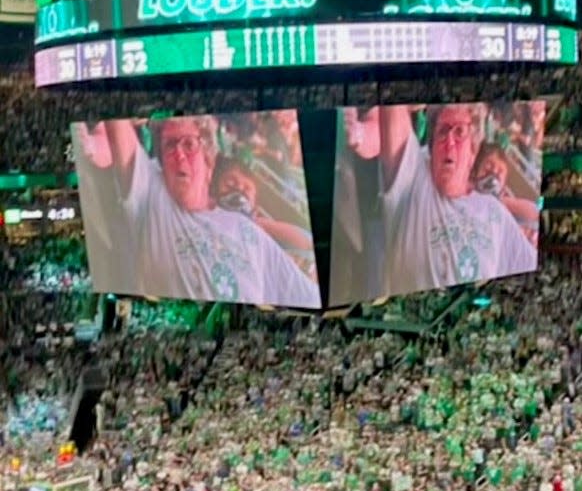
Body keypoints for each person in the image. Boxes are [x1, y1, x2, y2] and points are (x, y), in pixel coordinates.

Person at [73, 117, 320, 308]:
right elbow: (117, 131)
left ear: (209, 161)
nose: (178, 153)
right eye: (169, 145)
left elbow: (308, 295)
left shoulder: (248, 231)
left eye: (189, 144)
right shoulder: (150, 194)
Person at [343, 104, 537, 298]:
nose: (449, 142)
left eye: (459, 132)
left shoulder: (495, 212)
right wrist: (359, 134)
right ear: (432, 148)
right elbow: (386, 116)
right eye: (443, 132)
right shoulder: (412, 177)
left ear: (473, 151)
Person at [471, 142, 540, 246]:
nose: (493, 172)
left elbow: (536, 213)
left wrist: (503, 202)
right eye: (488, 167)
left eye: (500, 171)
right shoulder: (469, 198)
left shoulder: (506, 204)